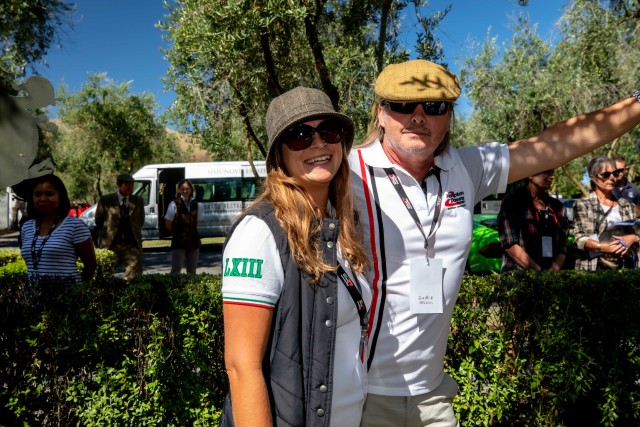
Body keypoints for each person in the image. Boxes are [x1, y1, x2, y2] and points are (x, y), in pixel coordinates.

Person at [347, 59, 640, 426]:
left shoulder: (465, 168)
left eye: (434, 106)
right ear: (381, 112)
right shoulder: (348, 172)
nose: (418, 117)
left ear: (449, 116)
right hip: (361, 393)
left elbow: (557, 144)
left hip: (433, 393)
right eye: (403, 105)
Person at [221, 87, 370, 427]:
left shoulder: (340, 225)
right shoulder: (259, 233)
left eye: (329, 131)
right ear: (280, 155)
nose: (318, 144)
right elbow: (241, 367)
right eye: (300, 135)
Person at [20, 174, 96, 283]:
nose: (43, 198)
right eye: (38, 194)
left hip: (67, 293)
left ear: (61, 196)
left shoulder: (75, 226)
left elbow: (90, 265)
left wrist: (76, 289)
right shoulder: (26, 227)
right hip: (32, 293)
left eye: (49, 194)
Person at [573, 157, 639, 270]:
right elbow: (580, 239)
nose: (612, 178)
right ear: (593, 177)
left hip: (625, 268)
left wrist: (633, 238)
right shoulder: (583, 205)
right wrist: (607, 247)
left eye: (615, 173)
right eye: (606, 174)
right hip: (593, 268)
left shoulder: (627, 205)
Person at [497, 169, 569, 272]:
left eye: (552, 172)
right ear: (530, 175)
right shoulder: (513, 202)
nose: (551, 176)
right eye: (546, 172)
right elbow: (509, 244)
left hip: (551, 277)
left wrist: (553, 271)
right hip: (518, 275)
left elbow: (563, 246)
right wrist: (539, 271)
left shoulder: (557, 206)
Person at [94, 173, 145, 282]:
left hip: (131, 246)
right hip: (110, 245)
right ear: (119, 185)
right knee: (104, 277)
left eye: (132, 184)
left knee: (134, 278)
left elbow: (141, 221)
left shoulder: (138, 201)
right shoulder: (106, 200)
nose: (130, 187)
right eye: (127, 184)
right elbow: (98, 220)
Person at [164, 179, 202, 274]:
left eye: (187, 188)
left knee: (192, 271)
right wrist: (176, 233)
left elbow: (197, 222)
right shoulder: (173, 204)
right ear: (179, 190)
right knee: (176, 270)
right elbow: (168, 223)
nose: (185, 191)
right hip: (178, 242)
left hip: (193, 242)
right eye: (182, 189)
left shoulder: (197, 204)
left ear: (191, 189)